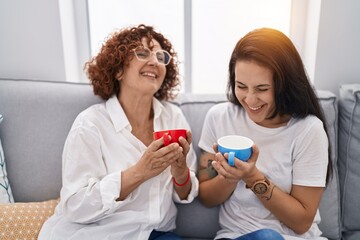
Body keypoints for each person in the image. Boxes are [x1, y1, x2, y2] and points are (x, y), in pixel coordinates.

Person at [38, 24, 198, 240]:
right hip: (99, 234)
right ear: (118, 70)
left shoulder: (173, 117)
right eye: (142, 53)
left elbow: (185, 194)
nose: (154, 62)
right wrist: (140, 172)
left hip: (156, 234)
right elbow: (75, 205)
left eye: (161, 57)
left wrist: (181, 173)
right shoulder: (90, 124)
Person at [197, 28, 332, 240]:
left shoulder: (308, 130)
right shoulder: (219, 117)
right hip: (236, 236)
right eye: (241, 86)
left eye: (261, 89)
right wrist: (229, 177)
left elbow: (302, 222)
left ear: (284, 85)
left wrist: (252, 177)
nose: (250, 100)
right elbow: (206, 197)